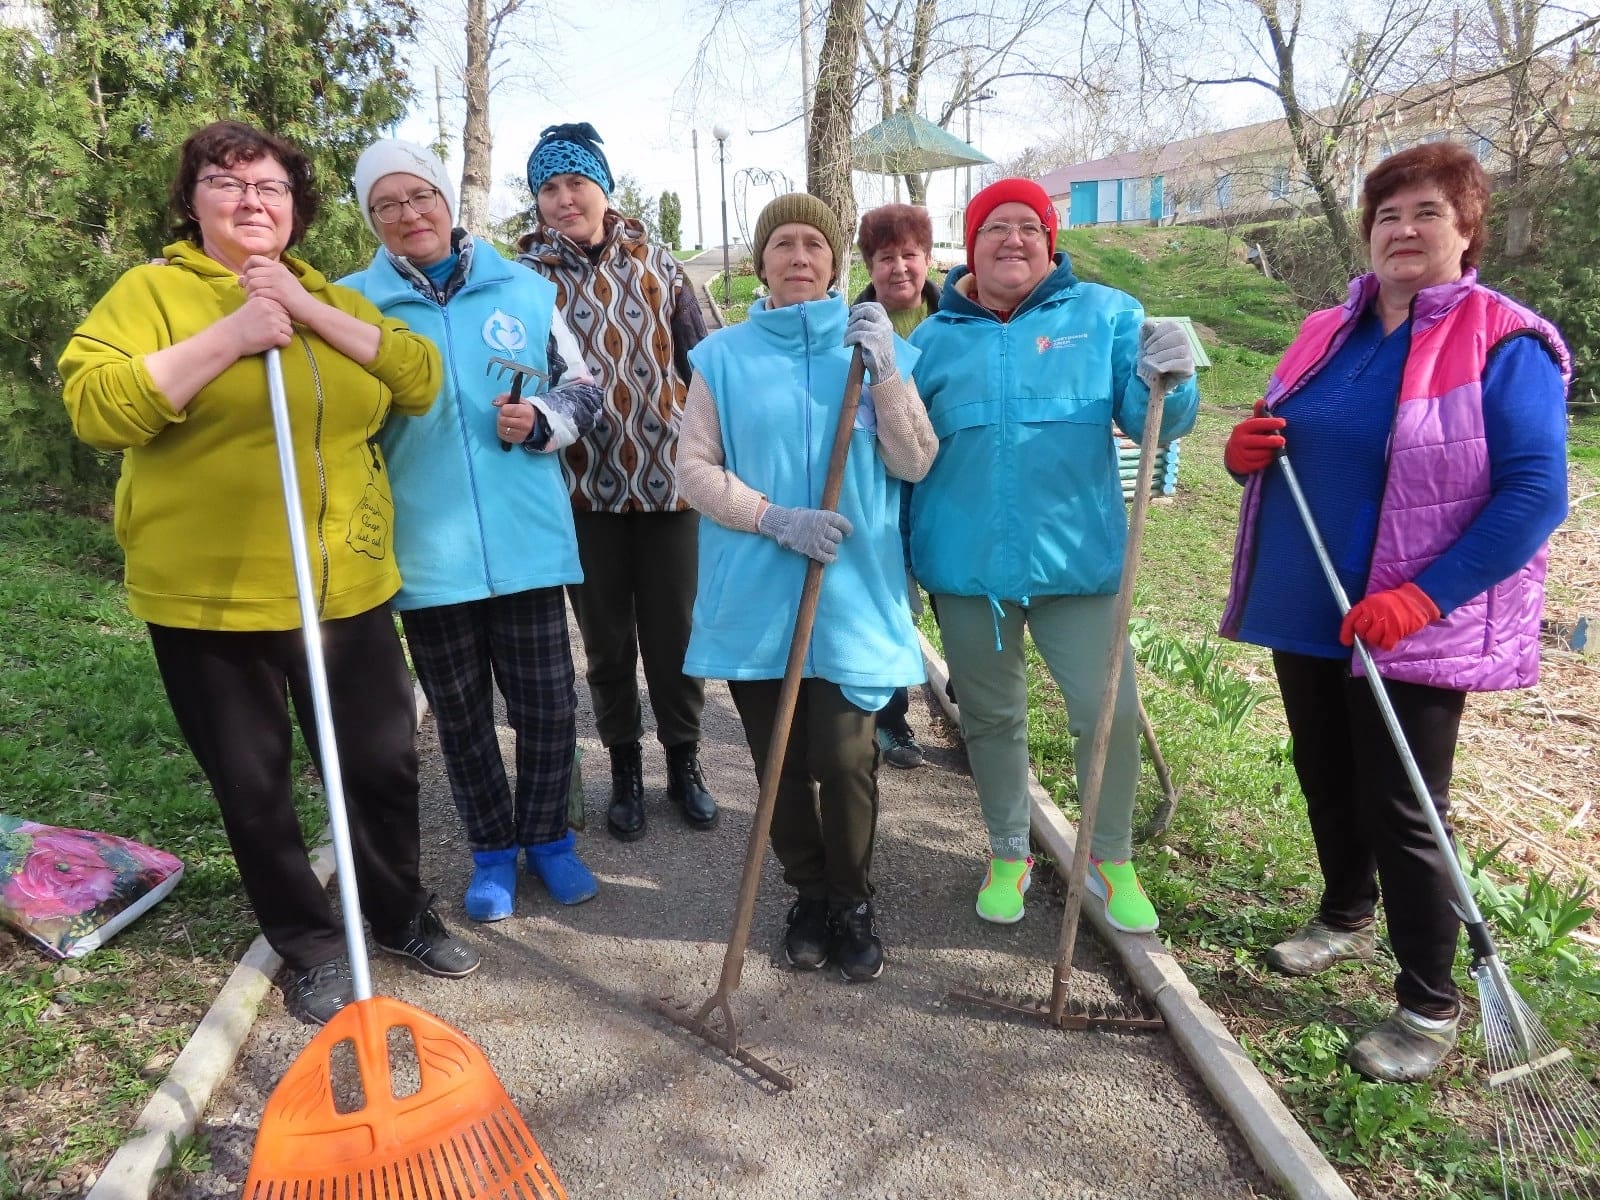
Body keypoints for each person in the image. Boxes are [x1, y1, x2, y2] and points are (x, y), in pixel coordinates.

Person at [59, 120, 478, 1026]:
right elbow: (98, 407)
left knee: (380, 761)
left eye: (271, 187)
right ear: (192, 200)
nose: (252, 200)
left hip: (347, 587)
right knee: (253, 784)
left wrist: (305, 309)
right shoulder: (152, 293)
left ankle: (397, 910)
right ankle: (313, 943)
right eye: (227, 183)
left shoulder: (332, 295)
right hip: (212, 598)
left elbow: (417, 375)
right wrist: (234, 335)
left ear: (297, 208)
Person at [1220, 141, 1570, 1083]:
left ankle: (1428, 1004)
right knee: (1323, 767)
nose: (1403, 231)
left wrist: (1422, 597)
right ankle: (1342, 914)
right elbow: (1282, 428)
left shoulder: (1505, 339)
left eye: (1426, 214)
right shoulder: (1327, 328)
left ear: (1467, 231)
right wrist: (1244, 449)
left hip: (1408, 618)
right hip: (1308, 598)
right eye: (1387, 215)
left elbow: (1536, 493)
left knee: (1405, 801)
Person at [906, 178, 1198, 930]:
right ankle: (1009, 852)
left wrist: (1177, 377)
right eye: (995, 227)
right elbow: (904, 452)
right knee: (993, 720)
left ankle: (1110, 858)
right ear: (969, 245)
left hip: (1080, 567)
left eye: (1028, 228)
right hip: (969, 571)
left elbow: (1154, 422)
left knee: (1108, 714)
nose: (1013, 240)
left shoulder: (1105, 316)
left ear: (1050, 241)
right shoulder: (932, 341)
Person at [341, 139, 605, 922]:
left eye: (419, 196)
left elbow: (584, 390)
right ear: (373, 219)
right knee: (460, 720)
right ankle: (493, 853)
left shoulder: (523, 290)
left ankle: (550, 841)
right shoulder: (355, 303)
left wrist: (545, 422)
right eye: (386, 204)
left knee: (550, 708)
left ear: (448, 202)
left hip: (526, 545)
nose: (407, 215)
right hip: (427, 553)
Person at [677, 193, 937, 982]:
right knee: (780, 759)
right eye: (782, 244)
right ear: (760, 264)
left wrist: (888, 374)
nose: (798, 256)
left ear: (835, 263)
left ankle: (854, 900)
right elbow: (692, 472)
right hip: (758, 591)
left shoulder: (876, 349)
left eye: (813, 245)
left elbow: (915, 460)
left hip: (853, 594)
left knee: (846, 754)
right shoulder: (721, 358)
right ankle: (808, 895)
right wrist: (773, 518)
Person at [516, 122, 716, 843]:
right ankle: (625, 770)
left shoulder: (660, 264)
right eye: (549, 187)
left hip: (669, 484)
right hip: (578, 491)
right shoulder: (523, 280)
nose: (565, 199)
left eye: (576, 182)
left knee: (676, 635)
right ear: (537, 201)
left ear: (604, 188)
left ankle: (683, 764)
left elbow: (708, 365)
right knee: (604, 642)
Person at [853, 203, 943, 771]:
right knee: (891, 603)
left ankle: (971, 695)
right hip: (886, 489)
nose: (900, 268)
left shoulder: (956, 318)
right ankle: (891, 722)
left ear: (929, 259)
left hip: (949, 487)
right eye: (886, 257)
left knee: (954, 596)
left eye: (911, 255)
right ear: (869, 263)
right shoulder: (853, 328)